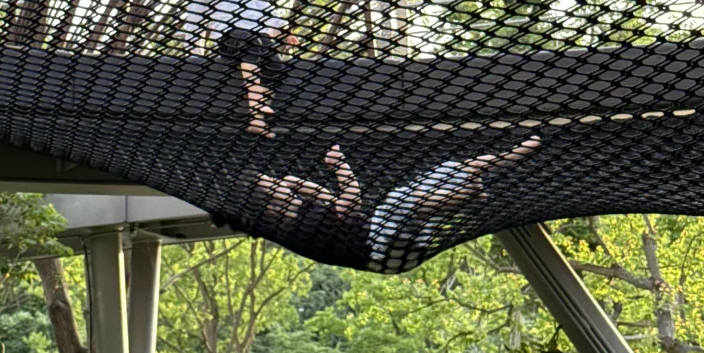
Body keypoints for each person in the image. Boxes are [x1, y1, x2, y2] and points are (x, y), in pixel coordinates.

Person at [229, 137, 541, 271]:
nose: (281, 183)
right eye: (274, 185)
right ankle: (469, 198)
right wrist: (338, 165)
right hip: (381, 248)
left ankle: (509, 157)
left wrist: (301, 185)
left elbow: (332, 201)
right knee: (398, 202)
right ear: (271, 206)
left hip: (394, 241)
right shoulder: (302, 228)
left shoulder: (304, 216)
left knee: (445, 171)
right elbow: (351, 199)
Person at [179, 0, 297, 134]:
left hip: (258, 34)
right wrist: (194, 54)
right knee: (247, 40)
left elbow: (261, 4)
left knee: (276, 69)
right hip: (229, 37)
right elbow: (194, 25)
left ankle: (257, 120)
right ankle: (256, 103)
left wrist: (282, 28)